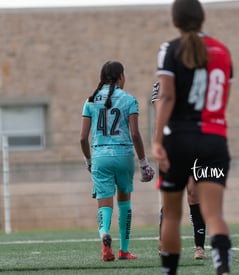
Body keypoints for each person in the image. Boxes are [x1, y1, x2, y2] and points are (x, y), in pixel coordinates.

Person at [152, 0, 233, 274]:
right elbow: (222, 100)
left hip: (179, 139)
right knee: (214, 213)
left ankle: (169, 271)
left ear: (175, 20)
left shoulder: (170, 49)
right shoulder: (222, 50)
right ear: (202, 17)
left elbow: (167, 96)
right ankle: (221, 264)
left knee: (172, 214)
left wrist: (157, 140)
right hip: (213, 139)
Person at [80, 60, 155, 262]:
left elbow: (82, 138)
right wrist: (143, 163)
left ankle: (104, 235)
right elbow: (135, 134)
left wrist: (88, 160)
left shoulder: (90, 101)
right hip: (123, 156)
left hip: (100, 156)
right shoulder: (129, 100)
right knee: (124, 204)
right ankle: (123, 250)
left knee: (104, 204)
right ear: (121, 76)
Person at [151, 81, 207, 260]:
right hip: (170, 145)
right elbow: (161, 112)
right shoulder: (160, 84)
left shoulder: (196, 82)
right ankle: (164, 242)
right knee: (170, 196)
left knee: (194, 192)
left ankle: (199, 246)